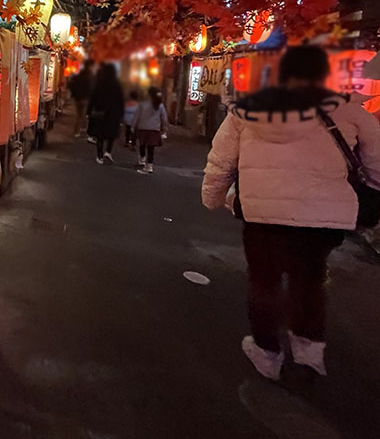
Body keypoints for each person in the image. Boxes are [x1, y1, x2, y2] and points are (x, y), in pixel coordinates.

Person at [202, 46, 380, 380]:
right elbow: (377, 165)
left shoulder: (246, 111)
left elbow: (221, 161)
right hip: (322, 219)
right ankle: (310, 352)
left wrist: (212, 198)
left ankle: (267, 353)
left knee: (264, 281)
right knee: (309, 280)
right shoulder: (349, 112)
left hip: (262, 212)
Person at [87, 63, 124, 164]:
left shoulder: (100, 83)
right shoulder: (117, 85)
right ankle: (108, 151)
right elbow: (121, 100)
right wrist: (121, 114)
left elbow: (93, 98)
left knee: (100, 136)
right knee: (111, 134)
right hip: (113, 114)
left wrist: (89, 111)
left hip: (101, 113)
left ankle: (99, 156)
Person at [133, 86, 168, 174]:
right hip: (154, 130)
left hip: (143, 128)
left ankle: (142, 159)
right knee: (151, 148)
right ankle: (149, 165)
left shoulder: (143, 104)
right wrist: (164, 129)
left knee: (142, 145)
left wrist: (133, 126)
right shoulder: (160, 105)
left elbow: (137, 116)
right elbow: (164, 118)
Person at [68, 59, 95, 138]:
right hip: (86, 98)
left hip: (78, 98)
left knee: (79, 115)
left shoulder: (79, 75)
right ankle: (83, 129)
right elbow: (93, 88)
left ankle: (77, 131)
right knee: (83, 115)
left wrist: (74, 94)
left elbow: (72, 84)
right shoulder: (91, 76)